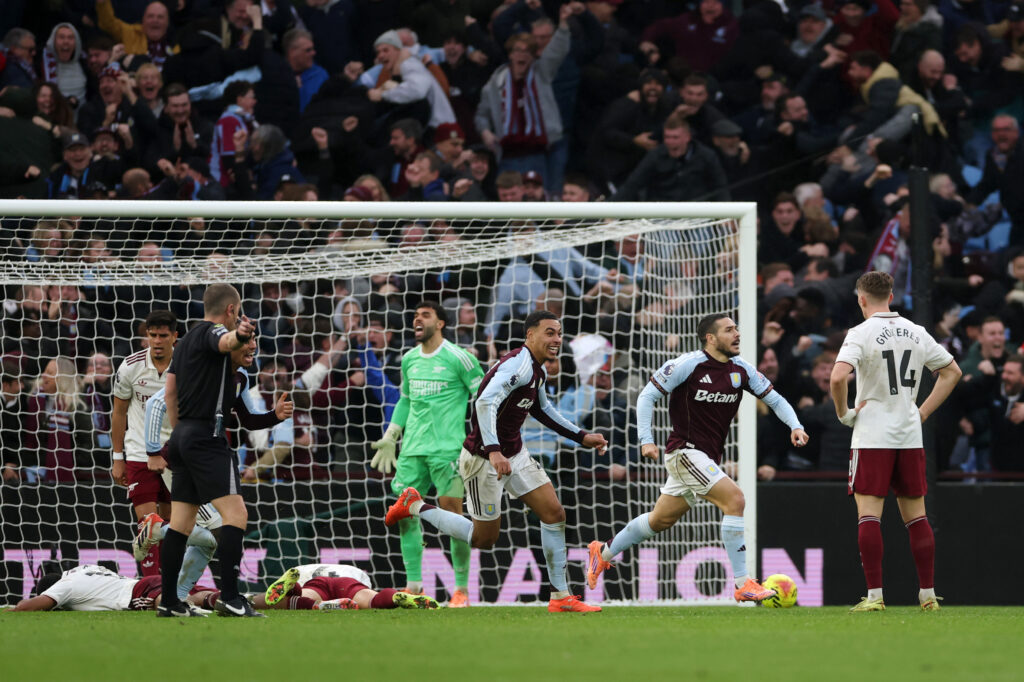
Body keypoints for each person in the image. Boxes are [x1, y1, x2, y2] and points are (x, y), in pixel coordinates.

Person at [385, 310, 608, 613]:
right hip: (482, 458)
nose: (556, 339)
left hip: (513, 453)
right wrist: (492, 450)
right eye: (549, 333)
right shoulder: (518, 366)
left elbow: (543, 410)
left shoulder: (536, 370)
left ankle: (561, 597)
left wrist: (582, 436)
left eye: (558, 333)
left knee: (554, 513)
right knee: (484, 539)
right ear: (530, 335)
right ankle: (414, 505)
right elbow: (484, 400)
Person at [586, 313, 808, 602]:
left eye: (737, 329)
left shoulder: (742, 369)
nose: (737, 334)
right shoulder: (687, 364)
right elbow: (647, 396)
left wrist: (796, 425)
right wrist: (646, 440)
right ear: (711, 338)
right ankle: (743, 583)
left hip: (707, 457)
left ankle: (601, 552)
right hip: (684, 451)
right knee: (735, 500)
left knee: (660, 520)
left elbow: (775, 399)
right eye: (729, 330)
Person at [829, 271, 962, 611]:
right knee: (917, 518)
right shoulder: (917, 333)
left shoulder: (860, 332)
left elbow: (838, 376)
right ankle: (928, 594)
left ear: (861, 299)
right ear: (891, 296)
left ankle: (875, 597)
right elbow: (952, 372)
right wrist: (923, 412)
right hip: (908, 434)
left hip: (872, 434)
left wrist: (844, 413)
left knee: (869, 516)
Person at [135, 334, 292, 604]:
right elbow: (156, 403)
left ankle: (177, 597)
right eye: (247, 341)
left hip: (206, 457)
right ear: (230, 345)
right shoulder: (202, 370)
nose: (254, 346)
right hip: (187, 457)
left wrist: (274, 416)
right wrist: (152, 451)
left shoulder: (241, 375)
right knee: (222, 526)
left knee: (210, 535)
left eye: (254, 341)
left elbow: (247, 419)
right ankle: (159, 535)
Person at [157, 283, 262, 617]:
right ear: (231, 310)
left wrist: (179, 433)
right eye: (237, 315)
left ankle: (170, 602)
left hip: (182, 436)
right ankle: (231, 598)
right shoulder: (214, 331)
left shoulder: (184, 340)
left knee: (181, 523)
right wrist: (241, 335)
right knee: (236, 515)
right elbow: (226, 341)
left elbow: (169, 391)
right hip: (206, 436)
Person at [368, 301, 483, 606]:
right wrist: (392, 434)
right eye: (415, 315)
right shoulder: (408, 359)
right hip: (412, 450)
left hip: (447, 451)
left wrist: (480, 443)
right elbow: (405, 400)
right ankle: (414, 584)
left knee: (453, 517)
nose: (417, 319)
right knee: (405, 514)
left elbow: (484, 399)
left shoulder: (461, 358)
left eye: (425, 315)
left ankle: (461, 590)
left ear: (441, 323)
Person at [109, 310, 179, 576]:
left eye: (163, 335)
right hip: (139, 452)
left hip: (175, 453)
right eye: (152, 335)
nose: (157, 341)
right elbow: (118, 412)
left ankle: (173, 584)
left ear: (175, 336)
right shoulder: (130, 366)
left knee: (174, 524)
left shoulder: (187, 365)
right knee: (147, 525)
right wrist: (118, 458)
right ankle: (151, 585)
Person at [12, 564, 210, 613]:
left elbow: (27, 606)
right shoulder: (84, 569)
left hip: (136, 594)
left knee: (165, 603)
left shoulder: (65, 587)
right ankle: (227, 599)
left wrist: (14, 609)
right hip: (146, 582)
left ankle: (181, 607)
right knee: (199, 593)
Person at [254, 563, 439, 610]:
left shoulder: (305, 568)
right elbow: (365, 587)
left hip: (314, 581)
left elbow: (269, 601)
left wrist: (251, 600)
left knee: (297, 599)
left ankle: (294, 590)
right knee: (372, 600)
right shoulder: (352, 570)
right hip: (348, 580)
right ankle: (395, 597)